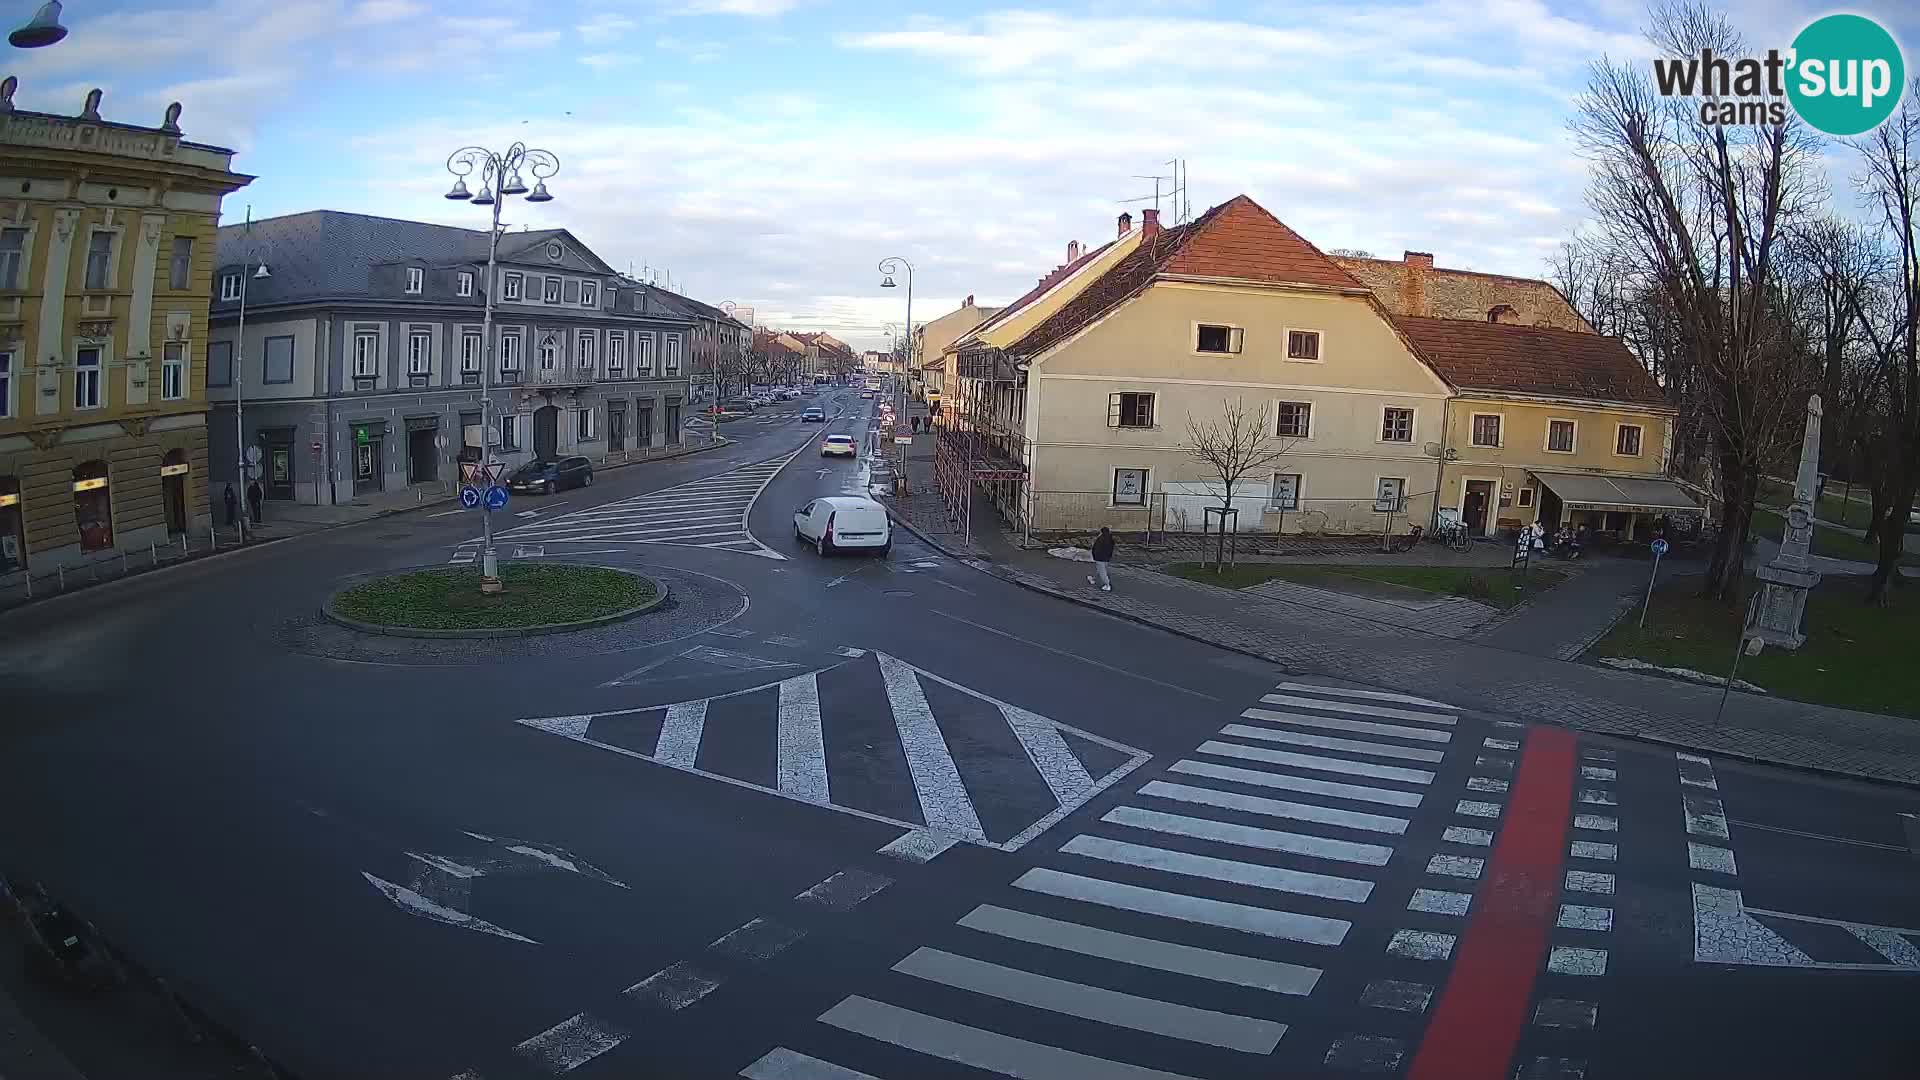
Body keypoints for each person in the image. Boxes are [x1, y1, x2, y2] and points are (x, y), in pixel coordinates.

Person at [1087, 526, 1115, 592]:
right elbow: (1112, 548)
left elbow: (1096, 548)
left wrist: (1094, 556)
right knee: (1100, 569)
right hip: (1107, 557)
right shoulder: (1110, 538)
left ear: (1102, 532)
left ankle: (1107, 585)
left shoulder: (1100, 539)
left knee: (1102, 572)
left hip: (1100, 557)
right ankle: (1093, 579)